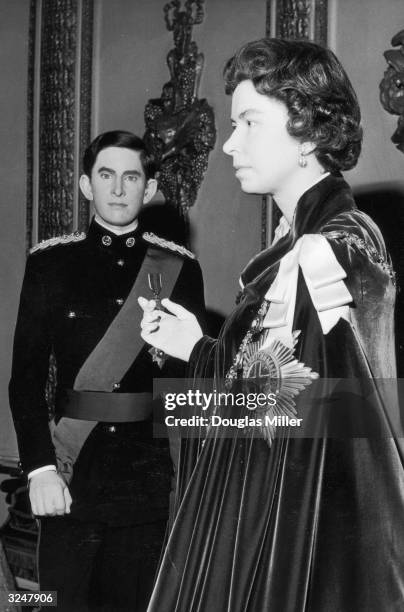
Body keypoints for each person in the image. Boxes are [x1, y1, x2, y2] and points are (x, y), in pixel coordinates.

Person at [139, 39, 404, 611]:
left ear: (310, 130)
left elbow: (318, 425)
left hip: (290, 548)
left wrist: (202, 356)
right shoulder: (304, 247)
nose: (230, 143)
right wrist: (202, 350)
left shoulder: (332, 252)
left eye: (250, 122)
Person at [9, 130, 205, 611]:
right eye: (106, 175)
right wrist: (40, 469)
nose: (118, 189)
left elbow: (189, 382)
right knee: (60, 603)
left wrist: (190, 477)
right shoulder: (50, 263)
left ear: (150, 187)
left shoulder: (179, 267)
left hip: (150, 480)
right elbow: (25, 378)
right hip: (72, 475)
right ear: (85, 185)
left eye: (131, 177)